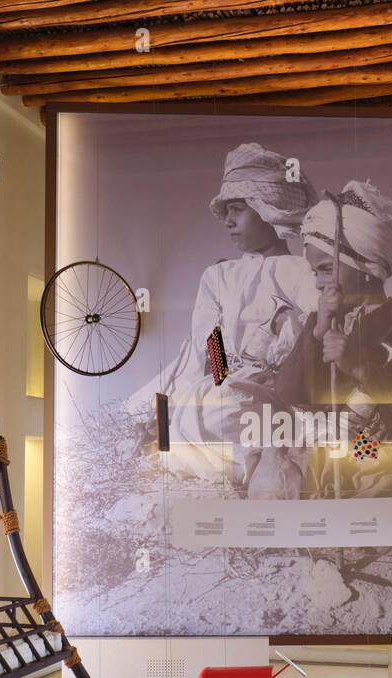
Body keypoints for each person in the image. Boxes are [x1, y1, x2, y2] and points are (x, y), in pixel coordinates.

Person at [132, 143, 319, 491]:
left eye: (238, 210)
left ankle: (242, 462)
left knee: (227, 408)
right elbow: (209, 343)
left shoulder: (302, 270)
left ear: (268, 212)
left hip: (273, 389)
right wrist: (221, 378)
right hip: (226, 381)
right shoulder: (217, 276)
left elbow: (313, 333)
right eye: (228, 211)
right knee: (164, 404)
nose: (229, 222)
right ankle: (189, 444)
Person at [275, 181, 392, 496]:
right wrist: (318, 331)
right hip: (324, 456)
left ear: (362, 265)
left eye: (325, 269)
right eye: (314, 274)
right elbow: (288, 393)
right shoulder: (319, 323)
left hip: (383, 458)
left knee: (375, 482)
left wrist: (357, 367)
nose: (319, 284)